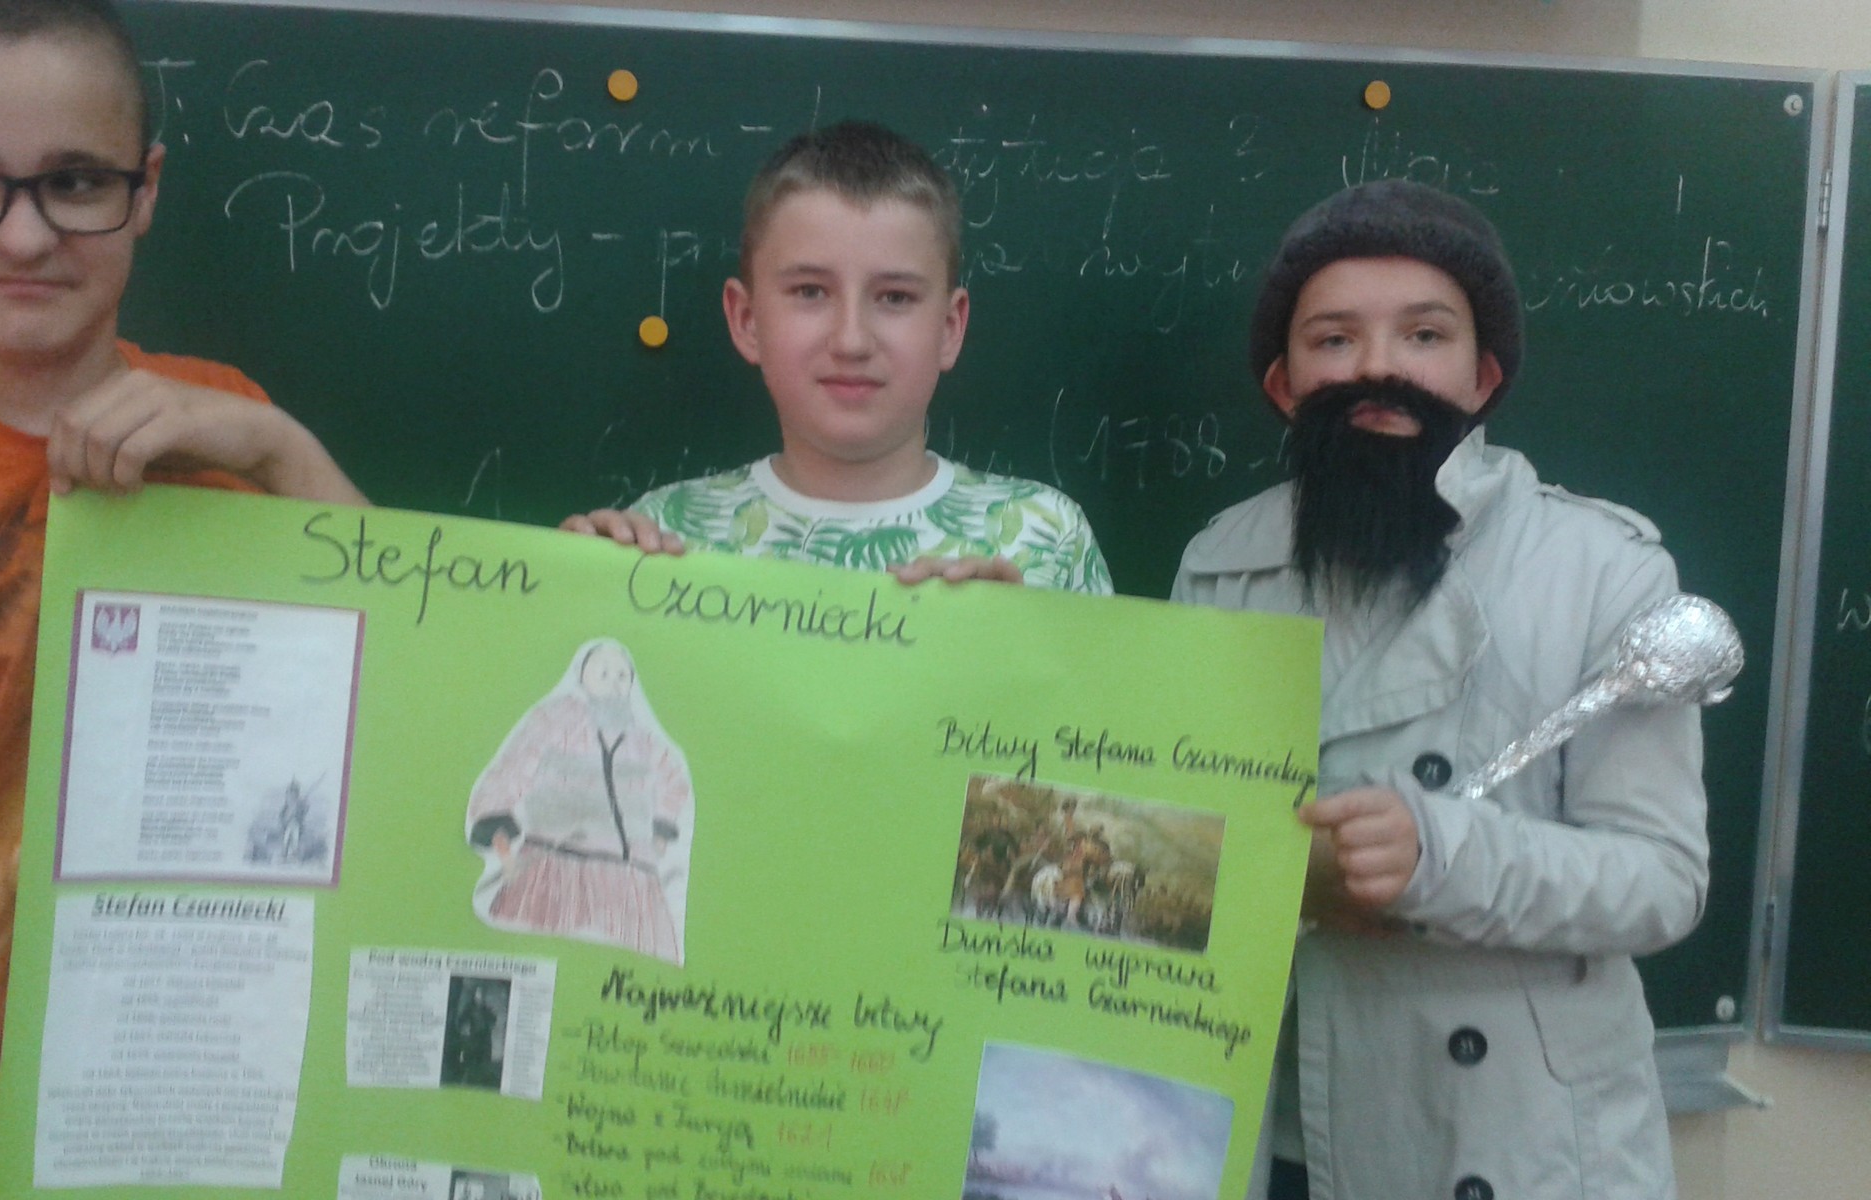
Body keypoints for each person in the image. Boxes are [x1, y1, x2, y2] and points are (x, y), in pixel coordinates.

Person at [0, 2, 365, 1196]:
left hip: (236, 1130)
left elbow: (410, 706)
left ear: (144, 190)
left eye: (75, 182)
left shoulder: (233, 423)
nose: (24, 234)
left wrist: (280, 448)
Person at [1171, 180, 1707, 1200]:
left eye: (1423, 335)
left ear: (1481, 375)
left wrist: (1440, 855)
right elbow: (1182, 825)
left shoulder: (1603, 569)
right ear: (1284, 384)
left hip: (1513, 1141)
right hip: (1280, 1123)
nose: (1378, 368)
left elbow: (1661, 882)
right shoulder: (1221, 564)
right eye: (1334, 340)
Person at [562, 120, 1112, 595]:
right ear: (747, 320)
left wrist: (1021, 643)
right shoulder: (661, 534)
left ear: (950, 328)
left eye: (895, 298)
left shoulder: (1047, 539)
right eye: (810, 291)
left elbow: (1094, 691)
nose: (851, 341)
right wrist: (569, 593)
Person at [466, 640, 694, 964]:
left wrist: (657, 839)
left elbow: (674, 782)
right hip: (554, 866)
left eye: (622, 675)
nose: (614, 682)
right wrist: (504, 852)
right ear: (581, 676)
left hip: (629, 877)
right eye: (603, 672)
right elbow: (512, 770)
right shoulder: (554, 720)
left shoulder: (643, 738)